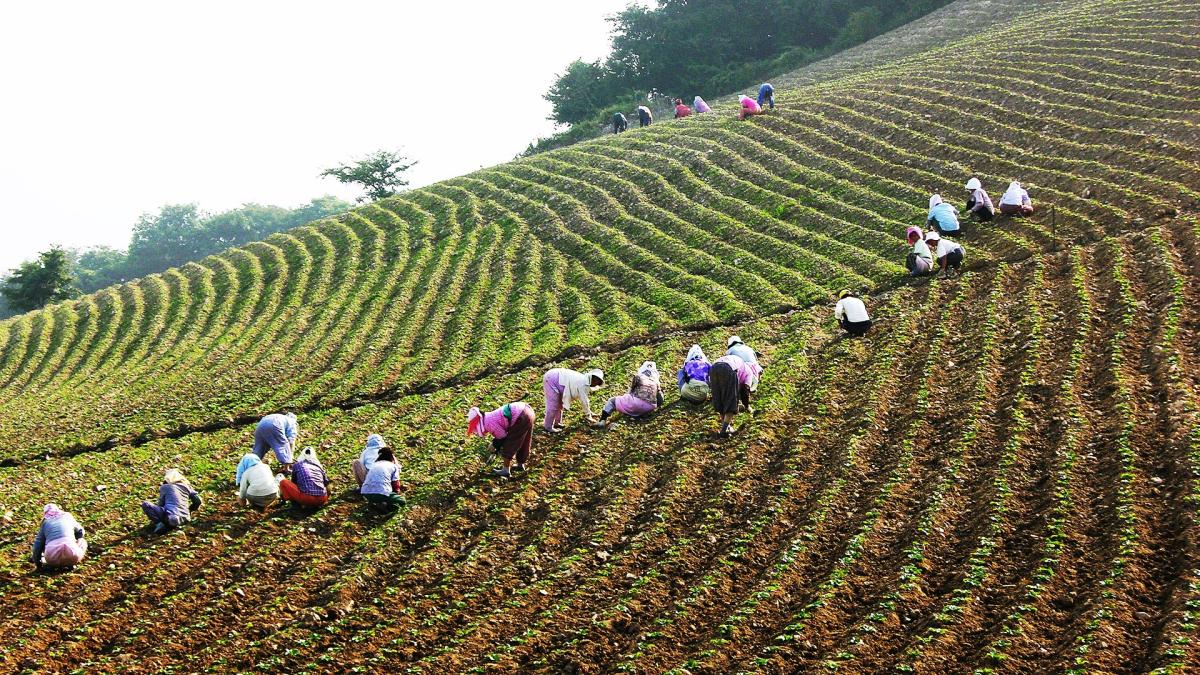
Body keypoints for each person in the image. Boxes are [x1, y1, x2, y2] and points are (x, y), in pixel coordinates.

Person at [468, 401, 536, 478]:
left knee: (511, 443)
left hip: (521, 416)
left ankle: (506, 470)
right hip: (527, 411)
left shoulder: (488, 423)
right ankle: (520, 464)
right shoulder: (489, 417)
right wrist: (496, 445)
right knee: (524, 440)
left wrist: (494, 445)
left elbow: (502, 436)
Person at [594, 361, 664, 429]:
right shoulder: (655, 381)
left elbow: (631, 391)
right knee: (637, 404)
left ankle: (602, 421)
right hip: (649, 407)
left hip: (636, 403)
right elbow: (660, 399)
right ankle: (640, 413)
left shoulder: (638, 377)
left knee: (612, 401)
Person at [543, 367, 605, 432]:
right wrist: (588, 415)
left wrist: (589, 412)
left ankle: (557, 423)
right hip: (552, 379)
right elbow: (584, 401)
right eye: (595, 381)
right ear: (592, 378)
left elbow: (585, 400)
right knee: (553, 405)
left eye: (597, 383)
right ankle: (548, 426)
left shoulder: (584, 381)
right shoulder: (583, 383)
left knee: (559, 404)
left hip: (558, 379)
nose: (595, 384)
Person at [142, 469, 202, 535]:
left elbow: (160, 504)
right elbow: (198, 501)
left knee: (146, 504)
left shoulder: (165, 487)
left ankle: (160, 525)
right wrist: (190, 510)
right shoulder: (187, 487)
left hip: (172, 518)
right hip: (186, 519)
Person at [709, 354, 756, 436]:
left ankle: (727, 427)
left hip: (714, 368)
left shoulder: (740, 364)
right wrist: (747, 406)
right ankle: (724, 430)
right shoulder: (749, 372)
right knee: (731, 400)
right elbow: (745, 390)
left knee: (720, 398)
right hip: (729, 369)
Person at [31, 504, 87, 571]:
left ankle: (49, 564)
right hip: (72, 555)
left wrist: (38, 564)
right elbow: (81, 532)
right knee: (82, 541)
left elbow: (38, 545)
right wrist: (74, 540)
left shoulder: (45, 522)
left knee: (45, 542)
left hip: (51, 557)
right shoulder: (67, 516)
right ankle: (71, 563)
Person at [360, 446, 406, 512]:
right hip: (382, 493)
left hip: (365, 492)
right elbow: (396, 484)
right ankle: (388, 508)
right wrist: (396, 493)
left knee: (381, 495)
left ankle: (374, 504)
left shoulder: (374, 465)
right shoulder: (393, 466)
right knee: (402, 501)